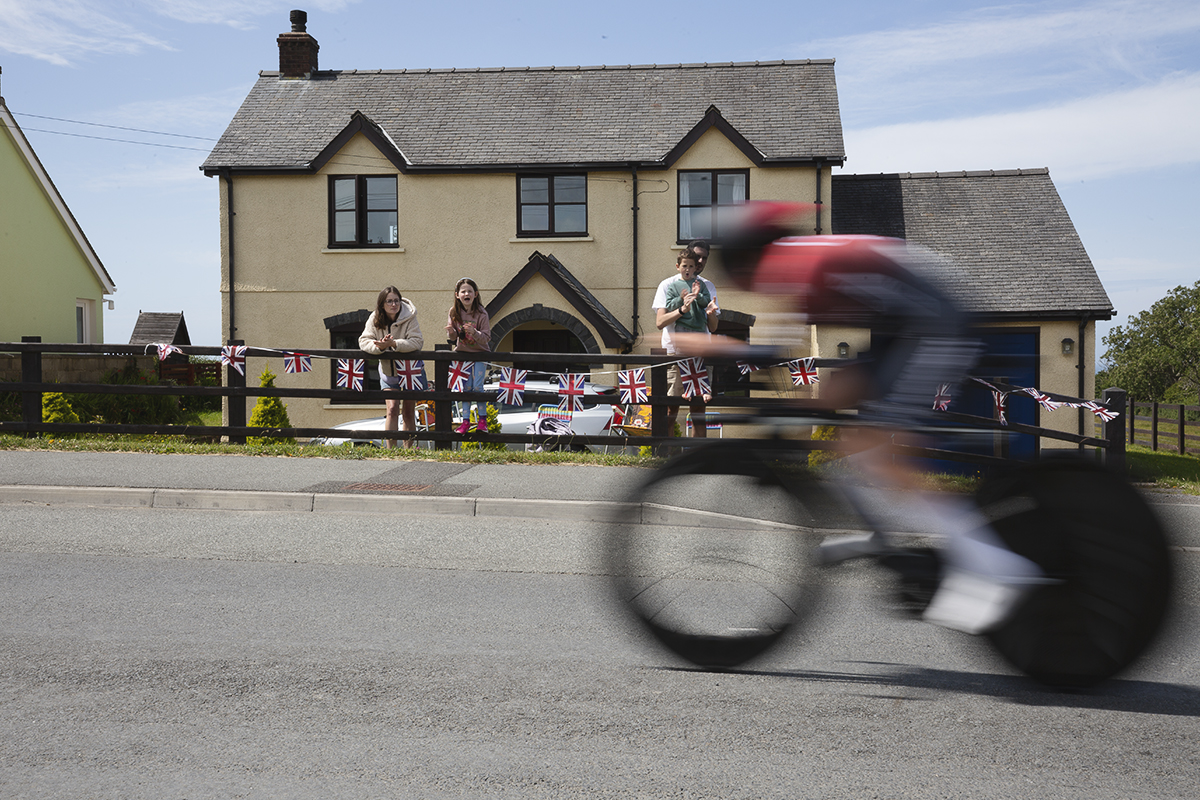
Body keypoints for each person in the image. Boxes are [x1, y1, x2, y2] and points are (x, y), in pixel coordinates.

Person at [694, 202, 1046, 635]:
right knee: (843, 426)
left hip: (936, 328)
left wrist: (714, 346)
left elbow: (773, 354)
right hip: (908, 328)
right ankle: (885, 534)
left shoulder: (791, 265)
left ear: (747, 258)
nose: (746, 286)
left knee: (883, 458)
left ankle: (994, 564)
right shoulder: (799, 257)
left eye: (737, 273)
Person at [653, 250, 720, 437]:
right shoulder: (669, 284)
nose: (693, 266)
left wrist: (710, 312)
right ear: (679, 265)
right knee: (670, 408)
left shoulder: (706, 285)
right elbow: (660, 322)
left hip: (700, 351)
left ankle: (698, 457)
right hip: (675, 352)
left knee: (699, 410)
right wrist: (682, 308)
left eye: (703, 258)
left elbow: (713, 327)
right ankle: (666, 454)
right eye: (687, 264)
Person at [359, 286, 424, 449]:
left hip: (410, 372)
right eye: (389, 301)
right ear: (382, 304)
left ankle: (408, 450)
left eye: (396, 300)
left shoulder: (410, 317)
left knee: (409, 412)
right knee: (392, 409)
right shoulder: (374, 318)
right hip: (388, 373)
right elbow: (364, 341)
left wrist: (394, 344)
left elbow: (417, 342)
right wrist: (379, 347)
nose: (394, 304)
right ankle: (391, 451)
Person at [446, 277, 492, 434]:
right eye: (463, 291)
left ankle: (482, 421)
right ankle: (465, 422)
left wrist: (475, 333)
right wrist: (452, 333)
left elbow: (486, 337)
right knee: (465, 387)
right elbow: (452, 338)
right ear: (457, 295)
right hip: (462, 354)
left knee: (478, 387)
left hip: (480, 354)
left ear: (475, 294)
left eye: (469, 291)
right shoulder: (453, 312)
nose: (466, 294)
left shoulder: (481, 313)